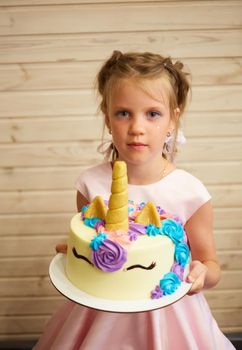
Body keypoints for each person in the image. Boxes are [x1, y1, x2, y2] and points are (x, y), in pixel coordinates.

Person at [34, 51, 235, 349]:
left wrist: (202, 273)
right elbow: (96, 243)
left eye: (152, 113)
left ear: (172, 119)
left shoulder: (190, 192)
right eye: (123, 113)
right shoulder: (91, 185)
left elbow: (210, 263)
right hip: (99, 314)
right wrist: (77, 253)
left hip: (171, 315)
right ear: (107, 117)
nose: (137, 127)